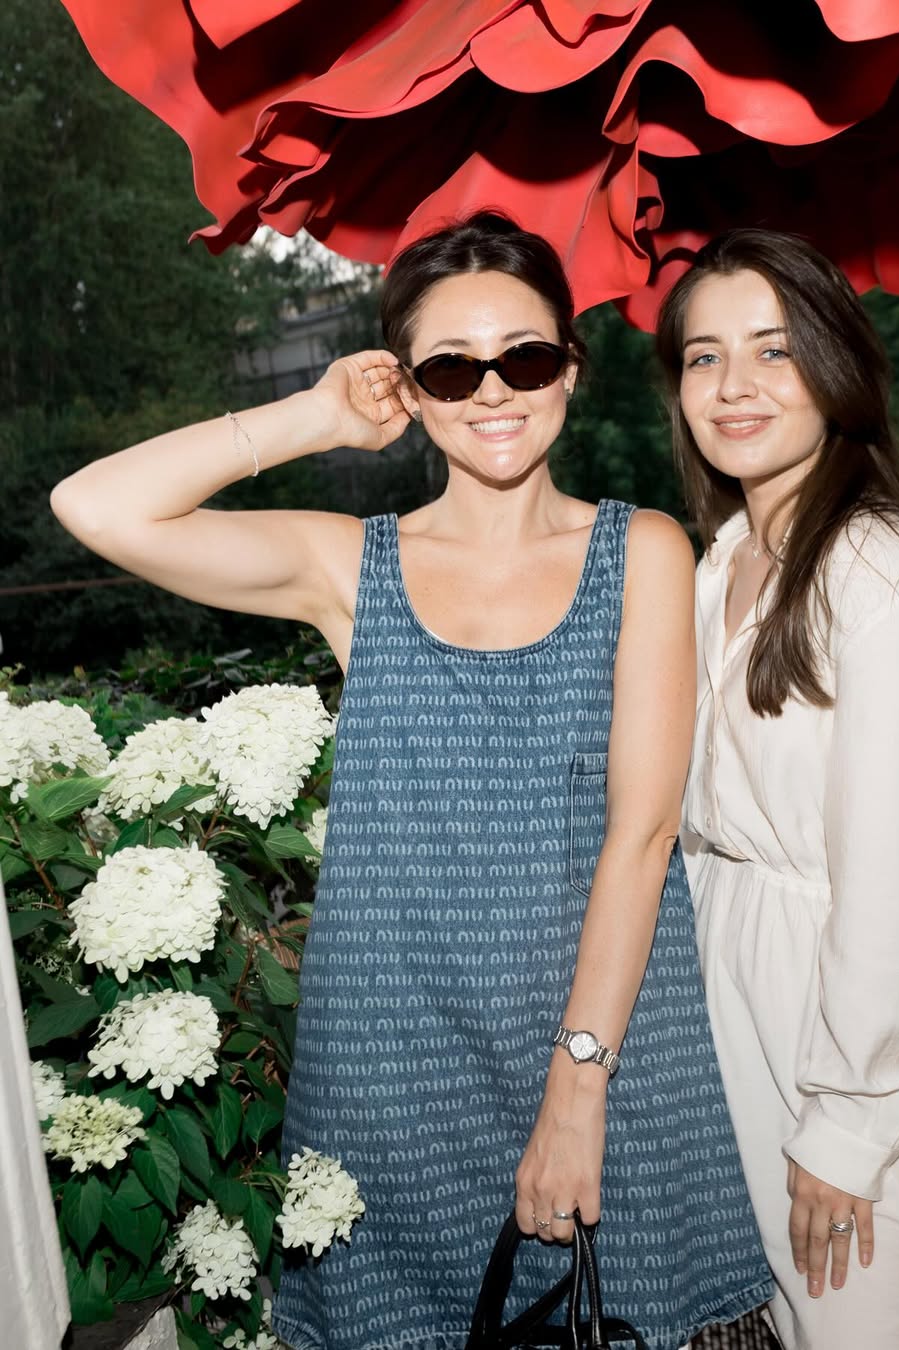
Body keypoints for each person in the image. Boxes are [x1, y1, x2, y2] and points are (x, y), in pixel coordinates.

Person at [52, 212, 772, 1350]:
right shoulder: (352, 565)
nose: (492, 391)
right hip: (395, 1064)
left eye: (524, 357)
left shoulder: (641, 551)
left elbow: (641, 838)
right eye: (449, 367)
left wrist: (577, 1092)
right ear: (410, 389)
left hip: (603, 1042)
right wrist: (316, 416)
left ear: (570, 370)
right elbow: (96, 507)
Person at [655, 229, 899, 1350]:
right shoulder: (723, 560)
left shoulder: (873, 574)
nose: (735, 385)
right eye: (705, 356)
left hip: (837, 1022)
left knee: (879, 1318)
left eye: (774, 349)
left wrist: (852, 1125)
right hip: (731, 1000)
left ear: (837, 367)